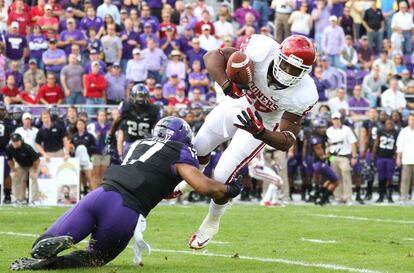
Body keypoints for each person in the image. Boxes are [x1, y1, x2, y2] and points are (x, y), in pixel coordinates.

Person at [10, 116, 242, 271]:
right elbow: (204, 186)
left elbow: (150, 174)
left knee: (44, 241)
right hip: (124, 210)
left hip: (99, 195)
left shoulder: (138, 144)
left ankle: (50, 244)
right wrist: (230, 189)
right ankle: (47, 264)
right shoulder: (179, 151)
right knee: (95, 257)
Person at [171, 34, 319, 249]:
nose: (288, 73)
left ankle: (212, 221)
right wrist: (226, 84)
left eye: (296, 70)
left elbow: (287, 141)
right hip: (238, 103)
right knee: (198, 147)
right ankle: (190, 181)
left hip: (262, 123)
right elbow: (212, 56)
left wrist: (260, 133)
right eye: (287, 65)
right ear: (279, 56)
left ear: (305, 72)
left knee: (222, 175)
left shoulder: (305, 93)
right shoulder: (261, 49)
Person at [105, 84, 159, 157]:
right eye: (138, 96)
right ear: (132, 96)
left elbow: (157, 128)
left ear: (147, 96)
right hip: (129, 141)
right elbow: (116, 122)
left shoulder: (154, 109)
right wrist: (110, 136)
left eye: (142, 96)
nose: (140, 99)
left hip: (146, 143)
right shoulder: (126, 106)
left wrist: (153, 137)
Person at [326, 112, 358, 204]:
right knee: (335, 178)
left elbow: (353, 143)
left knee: (346, 177)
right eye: (334, 119)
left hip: (344, 156)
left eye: (337, 119)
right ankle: (338, 197)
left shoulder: (347, 129)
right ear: (332, 120)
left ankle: (348, 197)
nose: (336, 121)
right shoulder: (329, 131)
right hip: (333, 156)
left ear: (340, 119)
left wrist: (354, 156)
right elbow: (328, 144)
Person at [309, 118, 340, 206]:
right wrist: (333, 154)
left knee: (331, 180)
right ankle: (323, 200)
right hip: (320, 163)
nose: (323, 129)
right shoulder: (316, 140)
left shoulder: (319, 137)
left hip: (319, 163)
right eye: (320, 128)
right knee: (336, 181)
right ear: (315, 128)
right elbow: (322, 156)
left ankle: (316, 195)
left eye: (324, 127)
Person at [6, 133, 40, 205]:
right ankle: (19, 199)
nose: (15, 143)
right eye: (13, 141)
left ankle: (35, 200)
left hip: (33, 164)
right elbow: (10, 160)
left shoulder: (27, 148)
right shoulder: (9, 148)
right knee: (15, 178)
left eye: (17, 141)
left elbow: (36, 161)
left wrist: (34, 171)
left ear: (21, 141)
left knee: (33, 178)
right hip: (20, 164)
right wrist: (14, 170)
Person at [372, 118, 398, 203]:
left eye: (391, 124)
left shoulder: (395, 133)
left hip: (390, 158)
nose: (389, 125)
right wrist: (373, 156)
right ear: (385, 124)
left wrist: (396, 156)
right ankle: (381, 196)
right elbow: (376, 143)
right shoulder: (380, 131)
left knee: (389, 177)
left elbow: (396, 146)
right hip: (381, 157)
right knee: (381, 177)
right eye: (388, 123)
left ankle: (389, 195)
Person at [396, 113, 414, 203]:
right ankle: (403, 197)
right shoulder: (404, 131)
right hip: (407, 159)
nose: (412, 122)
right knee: (405, 180)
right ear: (408, 120)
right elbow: (400, 146)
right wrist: (398, 158)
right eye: (411, 120)